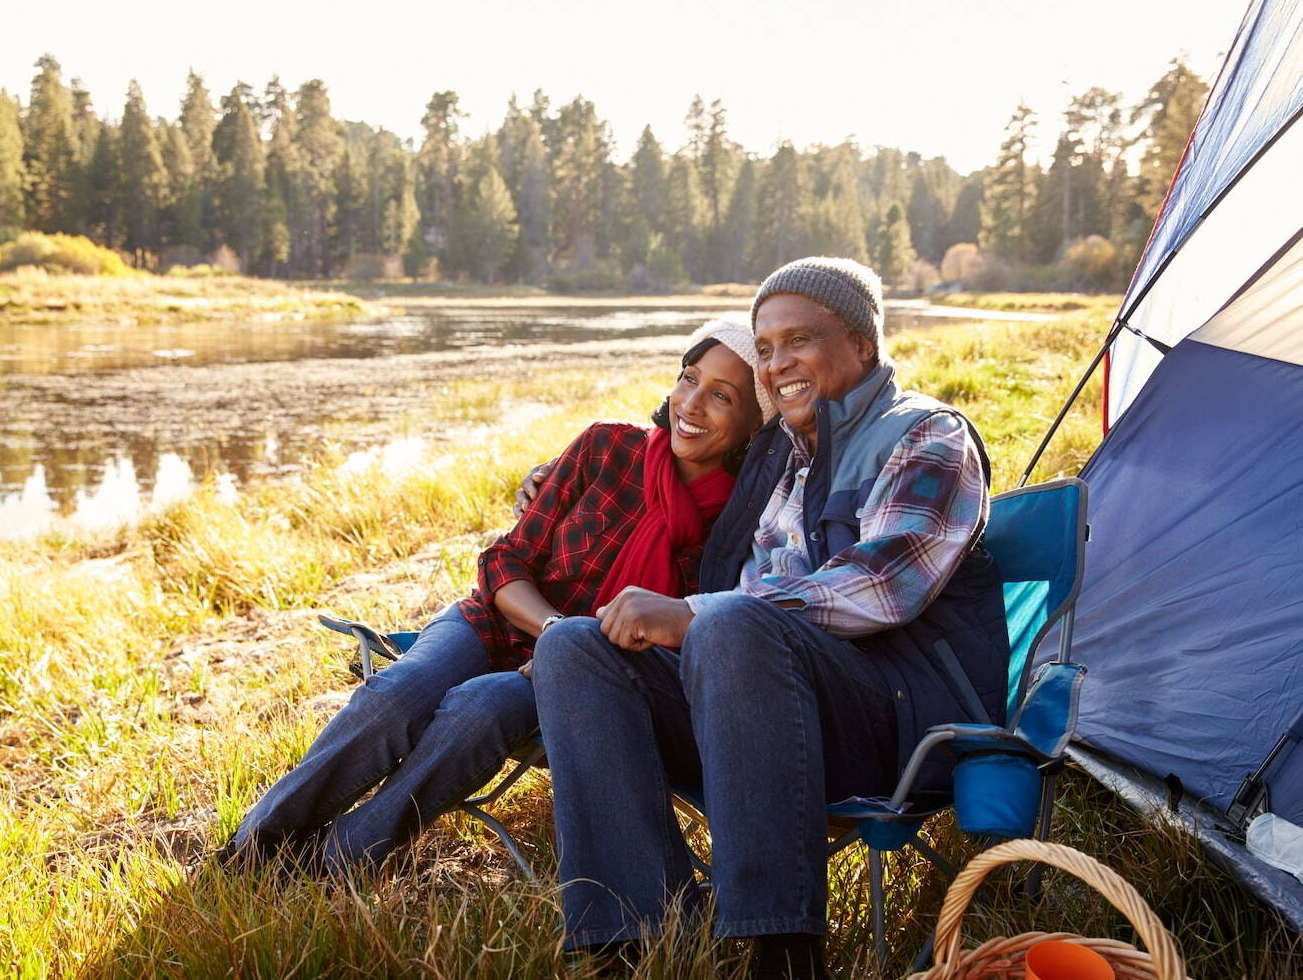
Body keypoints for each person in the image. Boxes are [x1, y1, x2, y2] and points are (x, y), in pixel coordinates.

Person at [530, 257, 1009, 979]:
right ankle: (634, 939)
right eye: (766, 348)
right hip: (760, 718)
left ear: (863, 346)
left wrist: (695, 614)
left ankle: (780, 951)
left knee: (729, 623)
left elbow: (883, 585)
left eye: (800, 340)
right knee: (575, 647)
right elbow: (735, 549)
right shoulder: (787, 459)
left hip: (897, 725)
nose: (778, 364)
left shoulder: (926, 436)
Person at [221, 319, 772, 873]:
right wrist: (556, 631)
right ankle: (255, 845)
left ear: (757, 421)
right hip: (496, 619)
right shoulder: (607, 447)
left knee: (476, 713)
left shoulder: (738, 527)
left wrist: (571, 657)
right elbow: (505, 559)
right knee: (396, 696)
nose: (692, 404)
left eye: (721, 396)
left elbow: (677, 644)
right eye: (688, 379)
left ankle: (337, 860)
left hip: (576, 679)